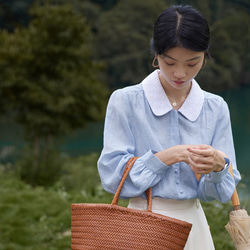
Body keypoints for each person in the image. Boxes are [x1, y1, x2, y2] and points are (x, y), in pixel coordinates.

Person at [97, 5, 241, 249]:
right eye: (170, 62)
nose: (180, 73)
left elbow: (218, 193)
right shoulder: (126, 100)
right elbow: (112, 177)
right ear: (156, 54)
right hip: (141, 225)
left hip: (194, 227)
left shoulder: (215, 107)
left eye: (192, 63)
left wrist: (218, 166)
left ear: (205, 56)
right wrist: (167, 157)